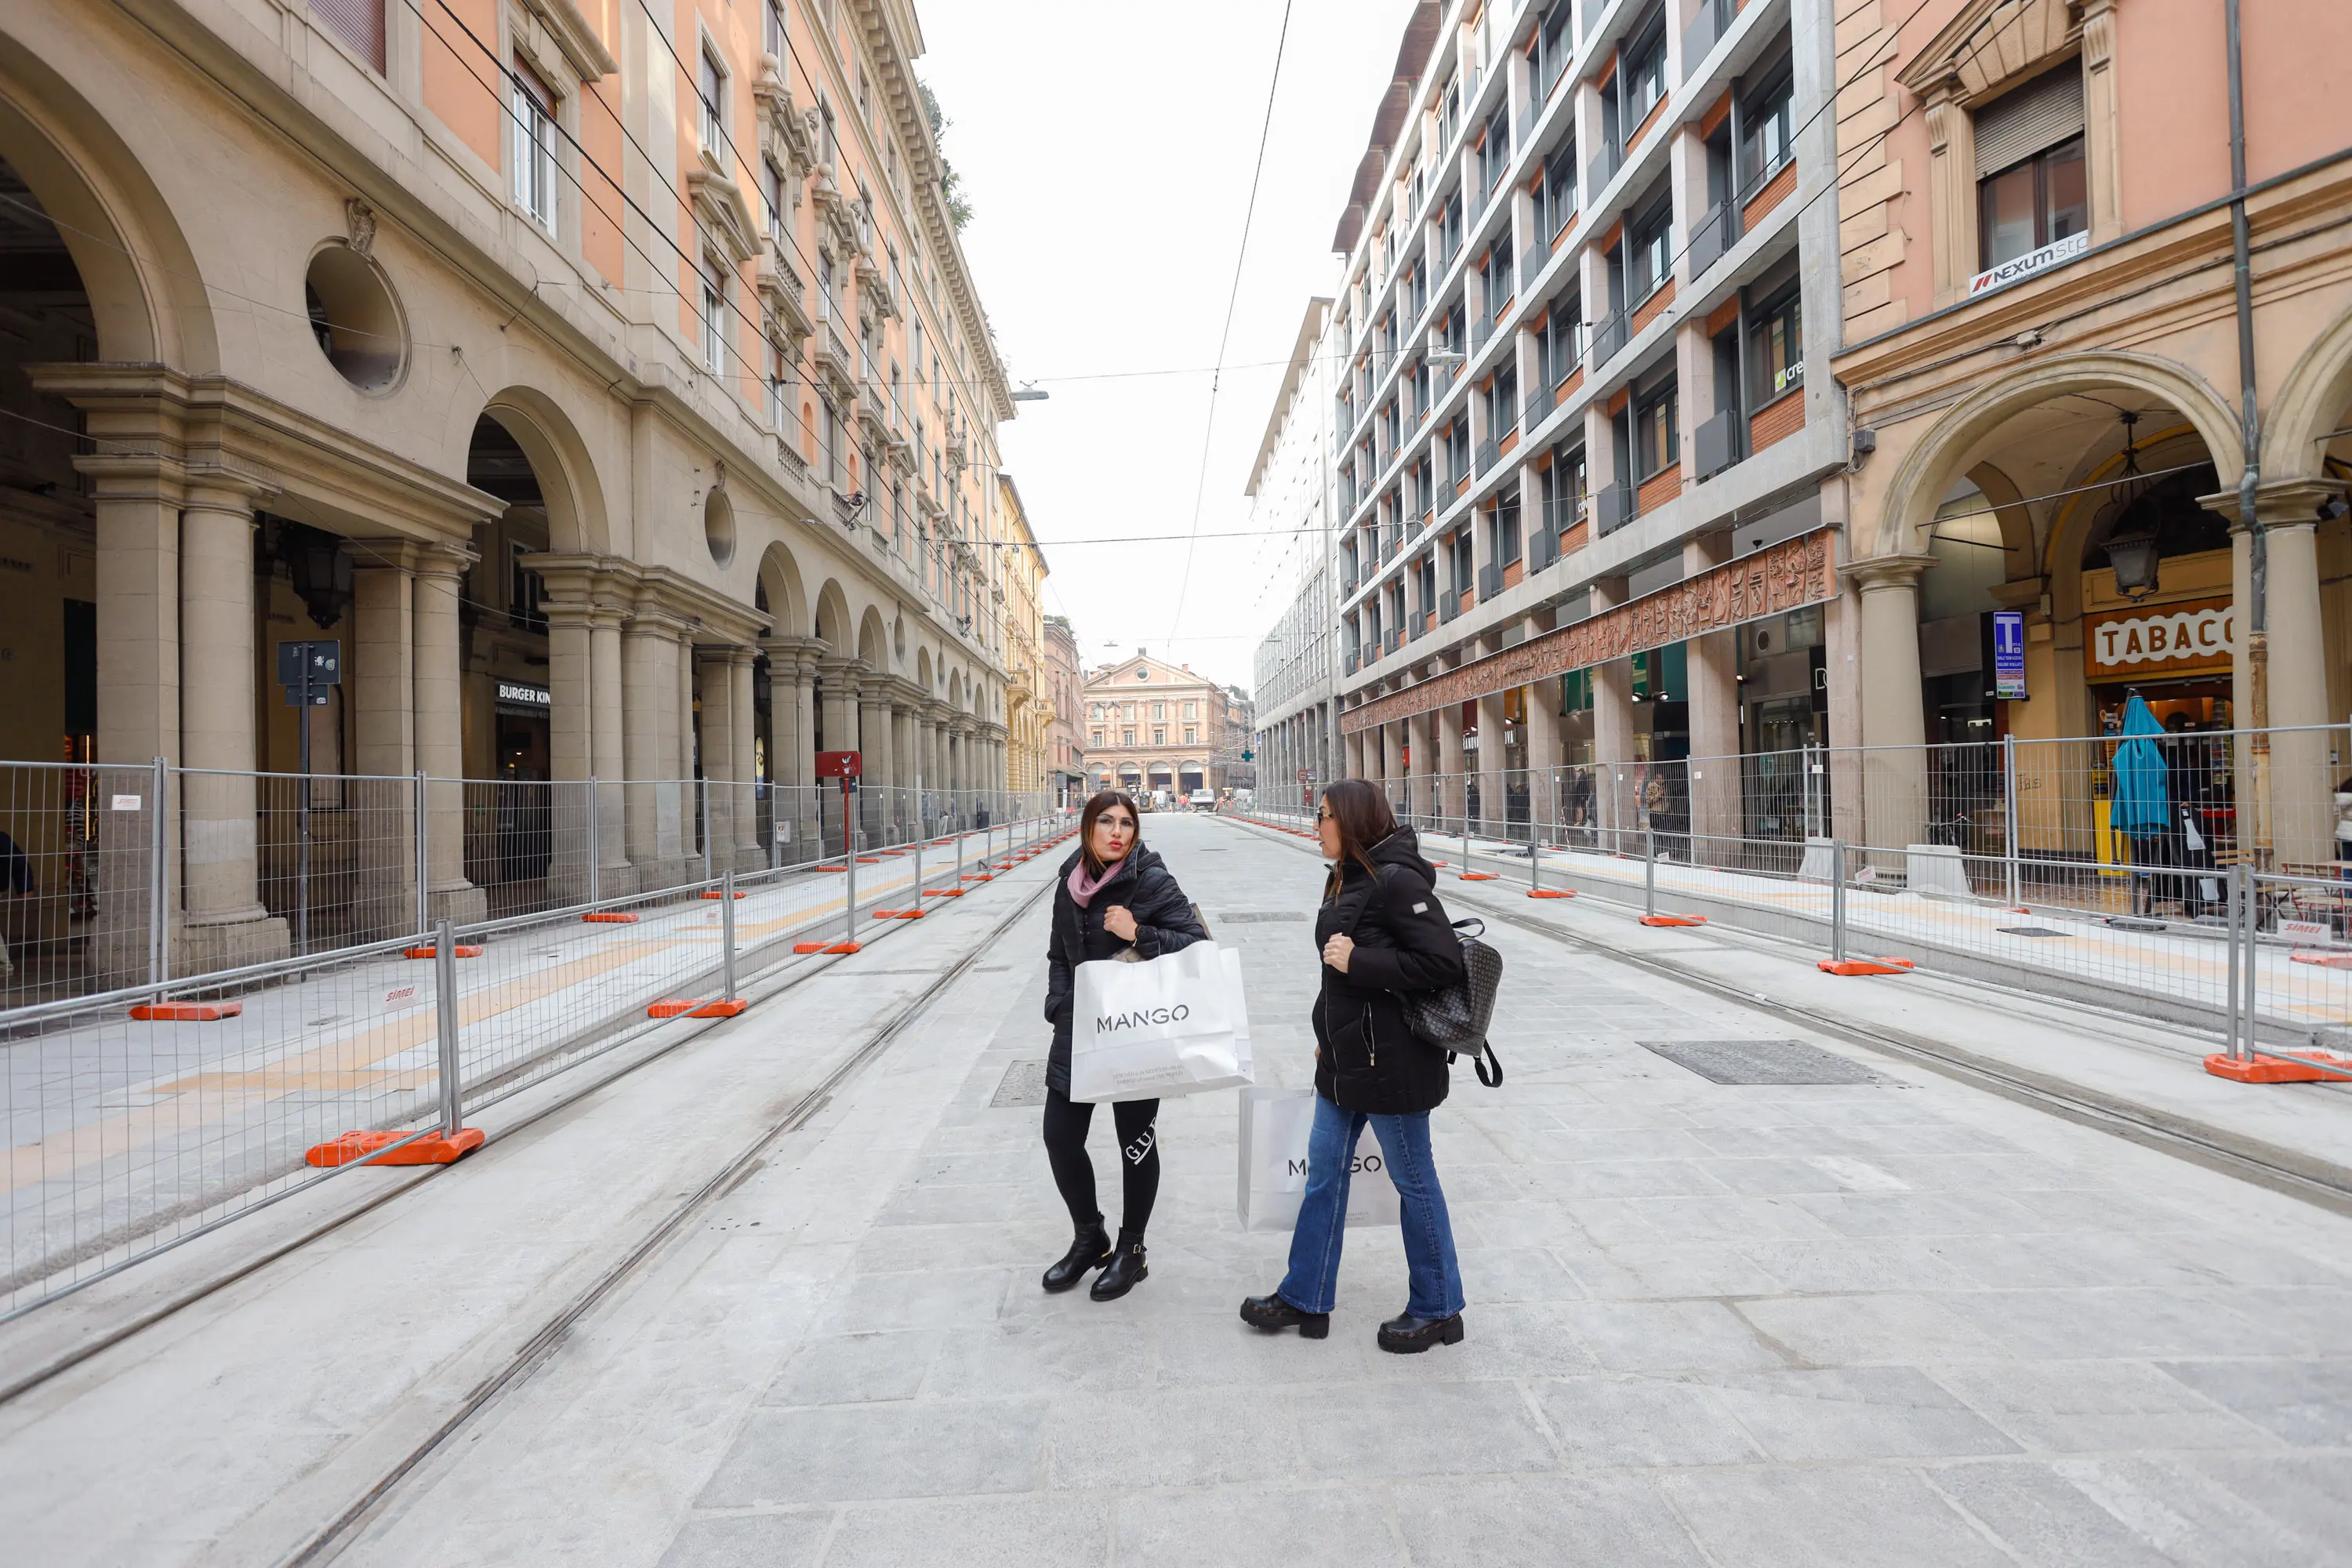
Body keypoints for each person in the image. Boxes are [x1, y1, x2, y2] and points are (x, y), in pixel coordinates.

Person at [1241, 779, 1469, 1353]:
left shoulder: (1398, 880)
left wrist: (1361, 959)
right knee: (1322, 1178)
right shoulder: (1348, 874)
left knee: (1415, 1185)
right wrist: (1326, 1036)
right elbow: (1334, 978)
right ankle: (1306, 1296)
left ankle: (1440, 1307)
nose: (1315, 825)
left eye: (1323, 816)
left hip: (1391, 1066)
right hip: (1345, 1062)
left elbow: (1442, 961)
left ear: (1352, 820)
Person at [1040, 789, 1208, 1300]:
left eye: (1127, 824)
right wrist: (1058, 1004)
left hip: (1137, 1032)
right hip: (1080, 1029)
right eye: (1106, 822)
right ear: (1088, 827)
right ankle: (1090, 1237)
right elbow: (1058, 955)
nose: (1117, 832)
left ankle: (1132, 1251)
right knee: (1060, 1137)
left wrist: (1139, 931)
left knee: (1135, 1144)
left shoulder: (1151, 879)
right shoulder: (1071, 881)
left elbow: (1200, 947)